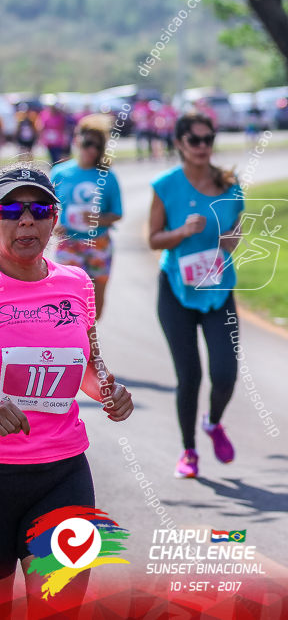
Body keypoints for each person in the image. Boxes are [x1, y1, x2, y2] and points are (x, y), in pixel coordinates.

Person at [0, 165, 132, 614]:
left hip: (63, 474)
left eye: (39, 209)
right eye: (10, 209)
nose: (26, 221)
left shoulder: (76, 284)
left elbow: (88, 366)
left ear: (54, 219)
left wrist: (110, 390)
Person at [148, 113, 243, 478]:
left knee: (225, 374)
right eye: (195, 140)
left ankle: (213, 422)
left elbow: (234, 232)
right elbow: (153, 239)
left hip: (218, 289)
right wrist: (181, 233)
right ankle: (188, 452)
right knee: (189, 375)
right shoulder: (165, 185)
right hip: (176, 290)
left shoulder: (230, 184)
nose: (203, 147)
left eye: (208, 139)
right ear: (180, 144)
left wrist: (232, 240)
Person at [52, 114, 123, 320]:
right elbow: (49, 208)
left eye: (97, 146)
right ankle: (74, 341)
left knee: (95, 305)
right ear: (77, 139)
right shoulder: (59, 173)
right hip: (69, 244)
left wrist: (96, 219)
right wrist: (55, 226)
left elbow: (117, 214)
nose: (91, 150)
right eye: (88, 143)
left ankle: (89, 339)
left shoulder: (107, 176)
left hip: (99, 243)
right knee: (69, 300)